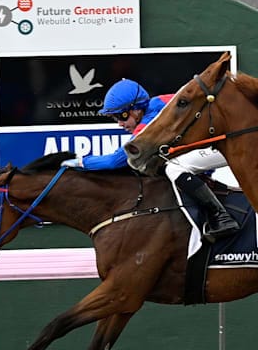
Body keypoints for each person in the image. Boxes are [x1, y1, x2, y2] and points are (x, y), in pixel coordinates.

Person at [65, 77, 239, 243]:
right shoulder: (156, 104)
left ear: (136, 110)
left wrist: (81, 162)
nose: (119, 123)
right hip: (223, 137)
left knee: (175, 168)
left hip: (230, 141)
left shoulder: (150, 121)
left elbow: (116, 161)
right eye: (115, 118)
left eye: (121, 116)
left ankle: (221, 217)